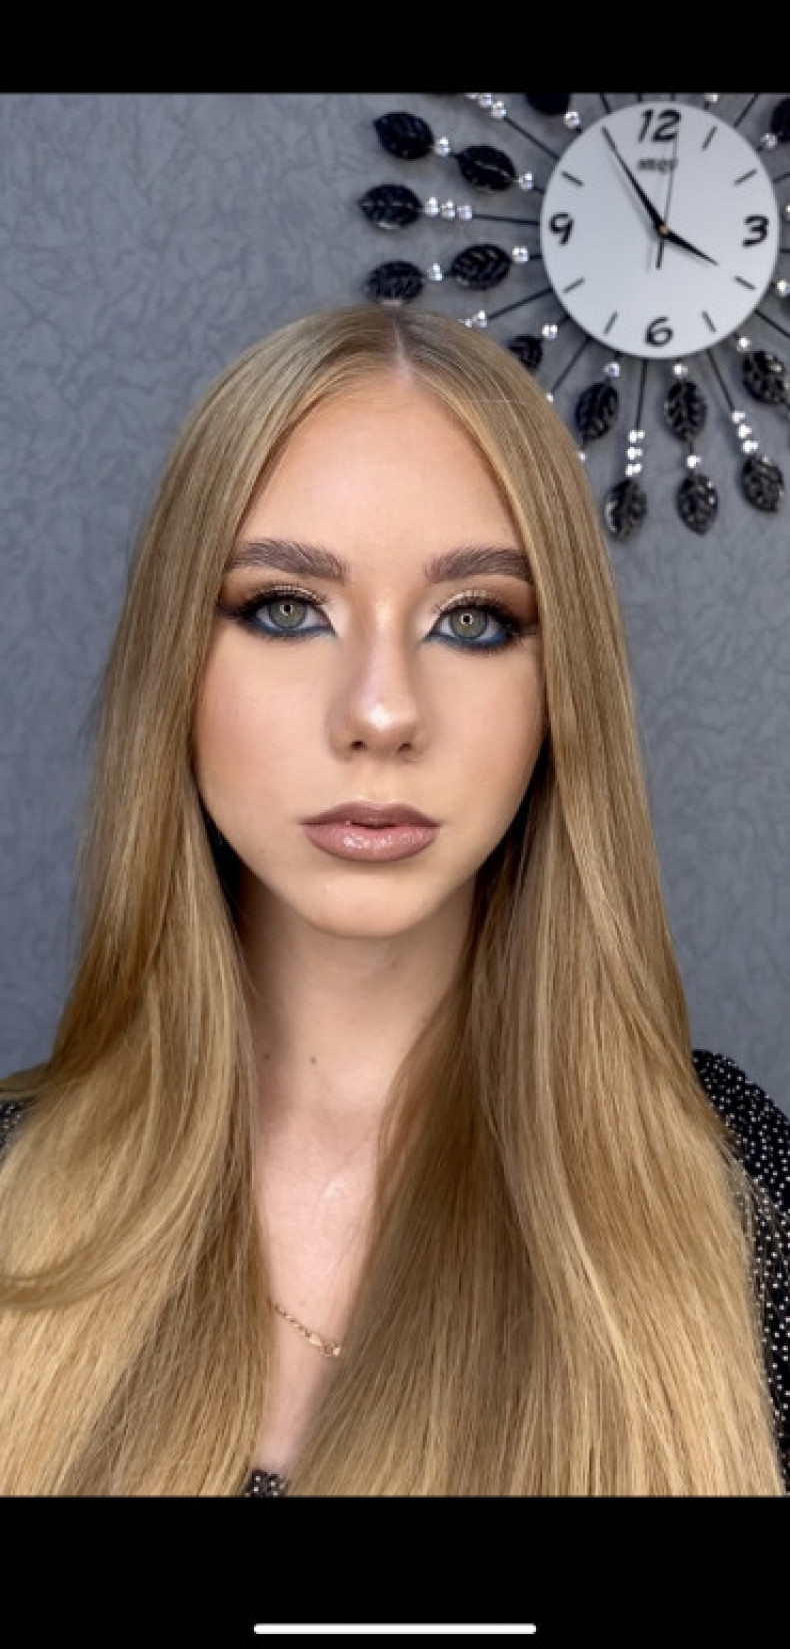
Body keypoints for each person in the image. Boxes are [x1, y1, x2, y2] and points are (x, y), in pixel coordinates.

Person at [0, 303, 788, 1498]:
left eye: (472, 621)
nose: (380, 711)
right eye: (285, 608)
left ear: (559, 691)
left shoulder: (742, 1199)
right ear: (177, 664)